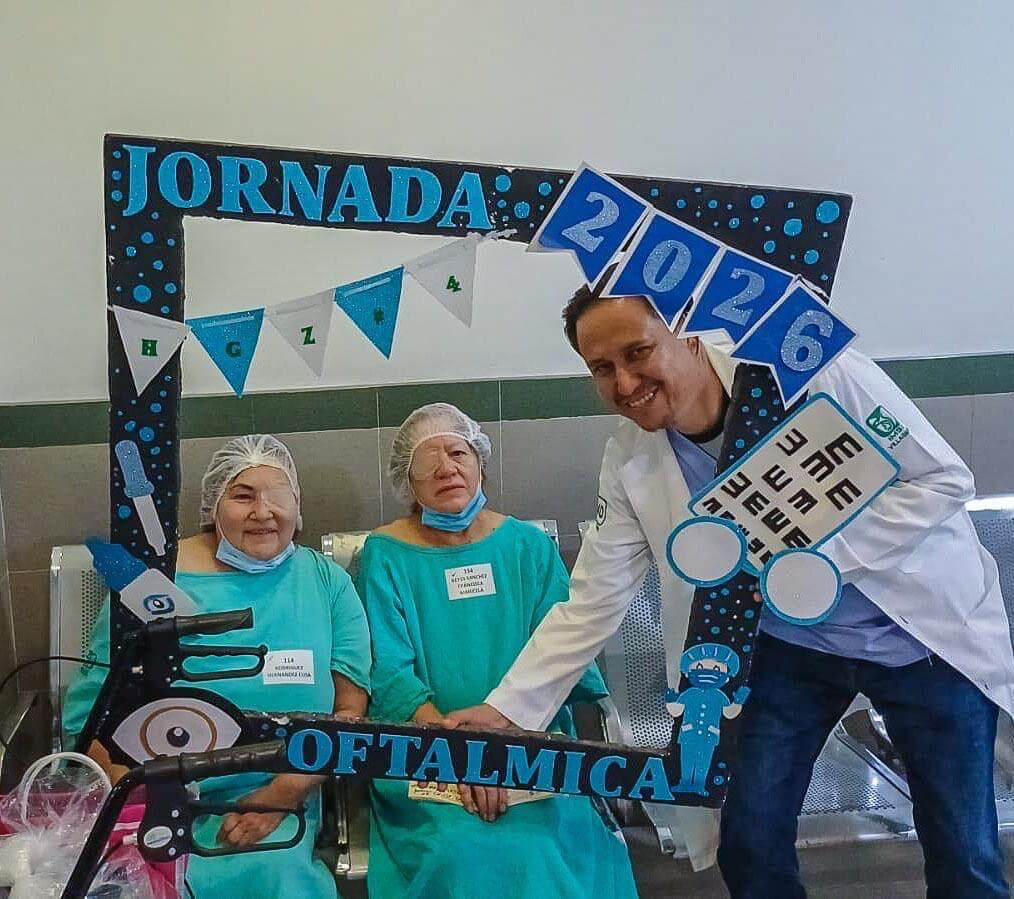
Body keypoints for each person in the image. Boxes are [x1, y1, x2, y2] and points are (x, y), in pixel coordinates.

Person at [449, 273, 1014, 898]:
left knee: (964, 854)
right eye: (602, 368)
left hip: (923, 642)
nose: (625, 385)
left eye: (638, 352)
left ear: (688, 331)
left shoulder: (812, 373)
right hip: (790, 651)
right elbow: (593, 599)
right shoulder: (631, 459)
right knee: (748, 840)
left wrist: (817, 554)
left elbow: (941, 479)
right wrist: (508, 710)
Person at [63, 434, 372, 899]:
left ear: (298, 505)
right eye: (243, 496)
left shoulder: (325, 583)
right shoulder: (155, 582)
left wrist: (283, 795)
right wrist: (132, 798)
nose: (263, 512)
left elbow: (349, 714)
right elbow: (89, 713)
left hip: (279, 799)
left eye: (278, 495)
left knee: (277, 878)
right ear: (213, 507)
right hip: (155, 799)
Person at [358, 403, 639, 899]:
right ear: (408, 482)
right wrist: (459, 756)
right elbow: (389, 676)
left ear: (480, 463)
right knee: (460, 850)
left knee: (543, 846)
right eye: (428, 460)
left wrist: (503, 748)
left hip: (532, 744)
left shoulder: (528, 547)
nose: (446, 468)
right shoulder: (383, 557)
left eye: (458, 453)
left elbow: (567, 658)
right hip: (426, 753)